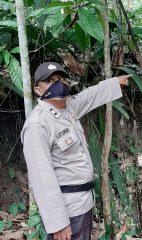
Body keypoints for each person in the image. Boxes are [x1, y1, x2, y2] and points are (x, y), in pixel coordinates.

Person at [21, 62, 130, 240]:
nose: (58, 84)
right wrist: (58, 223)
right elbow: (42, 178)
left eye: (60, 79)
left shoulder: (69, 107)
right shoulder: (37, 124)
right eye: (50, 81)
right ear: (38, 90)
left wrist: (115, 82)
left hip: (84, 203)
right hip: (66, 211)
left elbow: (90, 95)